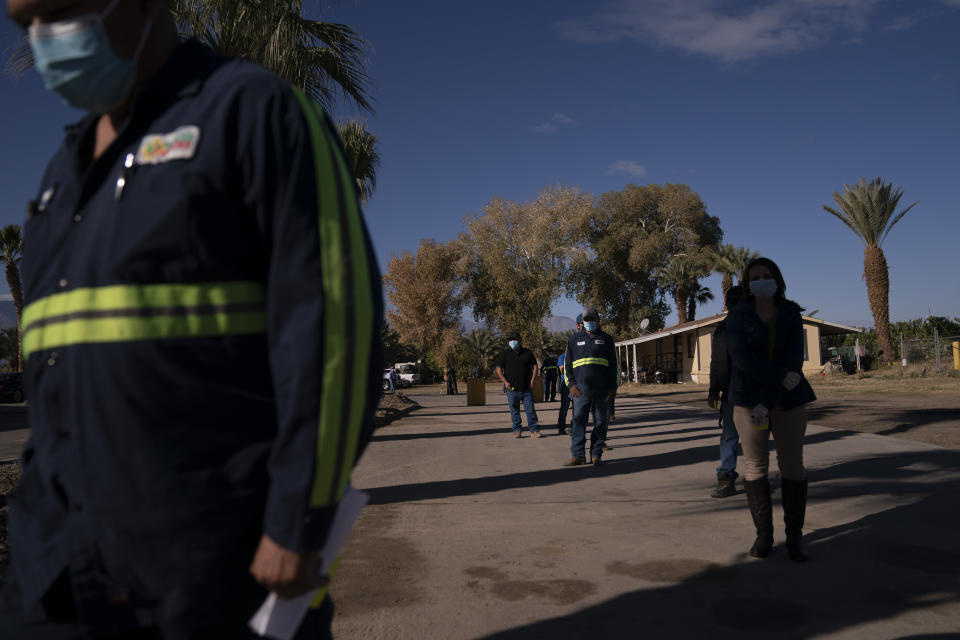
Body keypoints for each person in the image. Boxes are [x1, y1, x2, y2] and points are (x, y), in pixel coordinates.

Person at [1, 2, 384, 638]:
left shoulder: (254, 112)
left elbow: (336, 327)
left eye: (62, 13)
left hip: (210, 569)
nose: (45, 40)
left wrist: (301, 519)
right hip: (56, 569)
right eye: (26, 26)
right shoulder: (61, 179)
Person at [726, 257, 816, 562]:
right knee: (755, 467)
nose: (761, 281)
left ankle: (795, 536)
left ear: (777, 279)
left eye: (766, 276)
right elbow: (742, 360)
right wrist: (774, 384)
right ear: (747, 284)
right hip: (749, 402)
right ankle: (764, 535)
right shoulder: (738, 315)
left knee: (793, 467)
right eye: (755, 277)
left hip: (789, 401)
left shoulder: (791, 313)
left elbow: (794, 360)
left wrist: (775, 391)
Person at [563, 307, 618, 466]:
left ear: (598, 321)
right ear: (583, 322)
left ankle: (596, 455)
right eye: (587, 320)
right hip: (580, 392)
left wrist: (613, 387)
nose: (589, 322)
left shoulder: (607, 339)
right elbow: (567, 366)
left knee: (601, 423)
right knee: (578, 424)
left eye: (592, 319)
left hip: (602, 392)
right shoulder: (573, 339)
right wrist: (571, 385)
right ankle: (578, 455)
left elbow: (614, 365)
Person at [707, 285, 746, 498]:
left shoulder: (727, 328)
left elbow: (718, 364)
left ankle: (730, 478)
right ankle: (731, 476)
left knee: (734, 436)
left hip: (745, 391)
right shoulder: (725, 329)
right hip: (736, 391)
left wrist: (714, 390)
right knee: (736, 436)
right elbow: (718, 363)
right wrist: (714, 390)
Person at [494, 333, 541, 438]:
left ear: (519, 340)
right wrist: (505, 381)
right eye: (510, 340)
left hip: (526, 388)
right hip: (512, 389)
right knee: (514, 411)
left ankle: (534, 430)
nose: (512, 342)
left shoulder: (527, 353)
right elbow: (498, 368)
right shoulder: (505, 354)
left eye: (514, 339)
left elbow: (534, 366)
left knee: (530, 410)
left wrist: (532, 380)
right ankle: (517, 430)